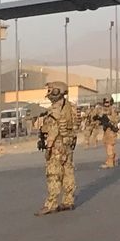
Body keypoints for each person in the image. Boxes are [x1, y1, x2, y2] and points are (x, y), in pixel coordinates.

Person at [33, 81, 80, 215]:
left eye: (51, 90)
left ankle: (51, 203)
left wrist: (48, 147)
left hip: (57, 145)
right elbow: (75, 126)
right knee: (68, 172)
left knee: (53, 173)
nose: (48, 93)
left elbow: (53, 130)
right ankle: (68, 200)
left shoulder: (55, 109)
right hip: (68, 144)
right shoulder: (71, 107)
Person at [94, 95, 120, 170]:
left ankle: (110, 163)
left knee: (109, 145)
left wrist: (107, 119)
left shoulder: (112, 109)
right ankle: (114, 159)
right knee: (106, 144)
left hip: (111, 130)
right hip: (107, 130)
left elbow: (115, 119)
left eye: (107, 102)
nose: (106, 104)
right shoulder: (106, 110)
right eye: (105, 102)